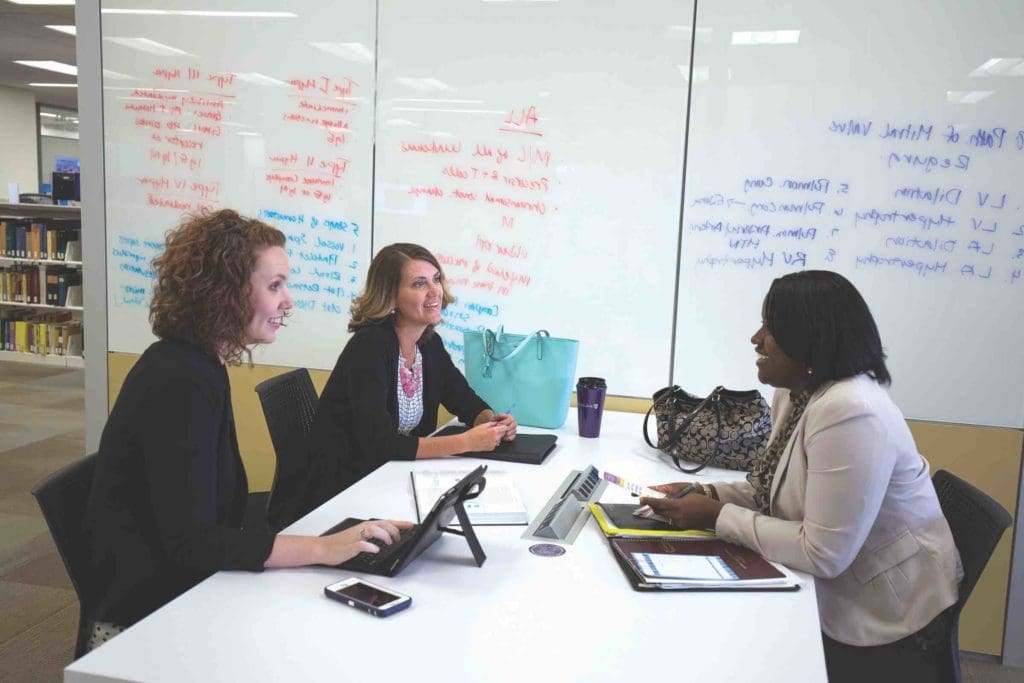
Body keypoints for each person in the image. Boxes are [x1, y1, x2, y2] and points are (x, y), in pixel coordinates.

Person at [84, 210, 410, 649]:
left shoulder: (199, 365)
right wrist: (324, 548)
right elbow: (193, 544)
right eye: (274, 285)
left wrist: (329, 542)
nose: (287, 301)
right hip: (147, 621)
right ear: (226, 292)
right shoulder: (181, 380)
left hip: (190, 587)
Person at [640, 270, 960, 682]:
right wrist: (703, 491)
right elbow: (766, 488)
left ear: (810, 339)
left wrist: (714, 516)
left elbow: (823, 553)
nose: (756, 339)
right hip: (839, 589)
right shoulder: (798, 392)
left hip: (885, 621)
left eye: (770, 328)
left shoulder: (852, 411)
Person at [296, 243, 517, 520]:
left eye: (436, 279)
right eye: (418, 284)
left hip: (391, 479)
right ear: (391, 296)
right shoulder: (369, 347)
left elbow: (464, 399)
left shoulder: (428, 343)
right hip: (341, 492)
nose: (435, 291)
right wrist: (466, 442)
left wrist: (491, 422)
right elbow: (380, 445)